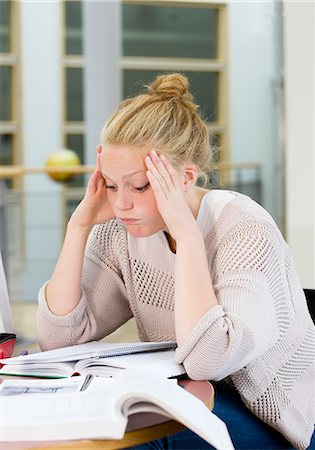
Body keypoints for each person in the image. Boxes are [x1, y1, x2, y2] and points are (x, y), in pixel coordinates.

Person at [37, 73, 314, 450]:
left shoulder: (244, 228)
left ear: (185, 178)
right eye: (112, 185)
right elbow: (58, 340)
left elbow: (209, 362)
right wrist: (78, 225)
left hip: (273, 416)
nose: (121, 204)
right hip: (188, 393)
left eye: (140, 186)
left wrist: (186, 235)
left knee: (142, 440)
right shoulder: (124, 228)